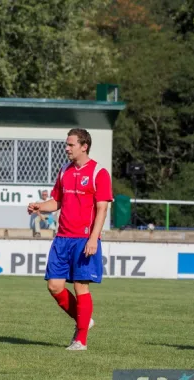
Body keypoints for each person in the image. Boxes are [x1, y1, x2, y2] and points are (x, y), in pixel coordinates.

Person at [27, 128, 113, 351]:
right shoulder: (64, 170)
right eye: (66, 144)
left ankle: (80, 340)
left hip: (84, 239)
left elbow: (102, 209)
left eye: (71, 144)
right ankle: (85, 320)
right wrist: (39, 207)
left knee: (80, 287)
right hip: (62, 238)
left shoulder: (99, 173)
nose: (66, 148)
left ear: (84, 146)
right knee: (54, 286)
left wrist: (93, 238)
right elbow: (56, 201)